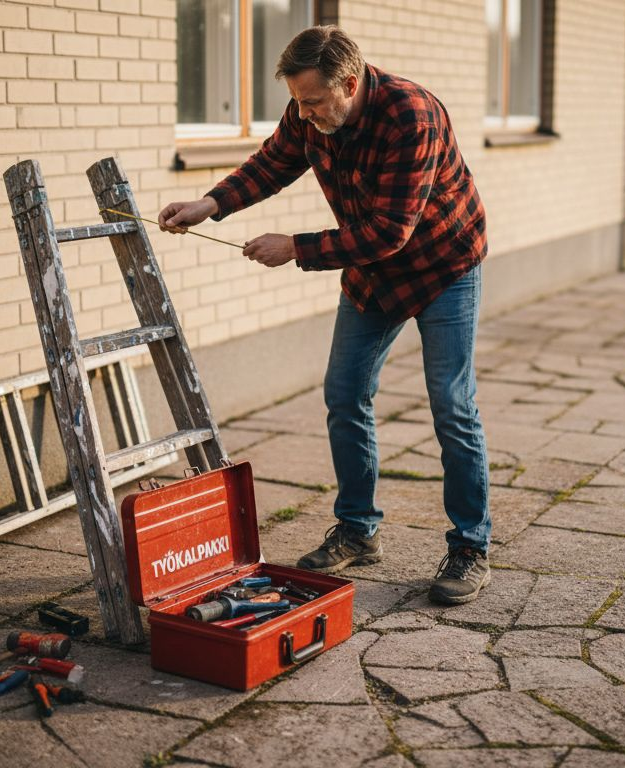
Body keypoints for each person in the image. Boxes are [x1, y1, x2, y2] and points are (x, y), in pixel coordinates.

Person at [159, 26, 491, 604]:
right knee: (344, 393)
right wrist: (210, 205)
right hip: (370, 268)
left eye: (313, 101)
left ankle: (469, 547)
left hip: (443, 263)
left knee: (451, 403)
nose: (303, 113)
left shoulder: (411, 116)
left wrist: (296, 248)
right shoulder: (308, 112)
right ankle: (358, 531)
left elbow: (391, 231)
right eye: (297, 102)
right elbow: (272, 164)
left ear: (350, 83)